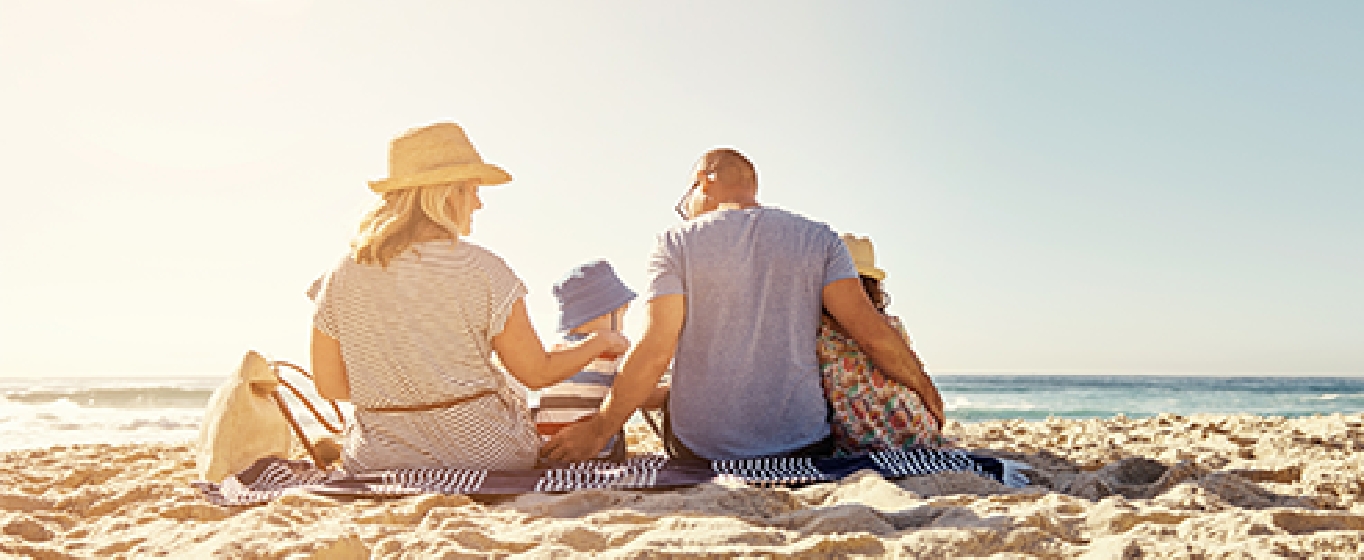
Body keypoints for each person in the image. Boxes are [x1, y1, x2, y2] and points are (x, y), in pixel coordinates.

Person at [542, 148, 945, 462]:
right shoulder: (819, 239)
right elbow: (871, 331)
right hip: (802, 445)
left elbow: (656, 344)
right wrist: (926, 388)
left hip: (700, 449)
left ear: (704, 180)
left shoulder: (675, 242)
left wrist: (602, 426)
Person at [309, 122, 627, 472]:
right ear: (449, 194)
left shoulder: (341, 275)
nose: (479, 203)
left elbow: (330, 386)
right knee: (507, 386)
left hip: (380, 459)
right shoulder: (486, 270)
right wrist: (600, 342)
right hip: (488, 455)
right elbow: (537, 373)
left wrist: (404, 390)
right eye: (473, 190)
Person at [819, 234, 947, 454]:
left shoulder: (819, 334)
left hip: (856, 439)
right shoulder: (892, 327)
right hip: (913, 431)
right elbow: (912, 367)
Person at [533, 260, 637, 460]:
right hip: (595, 455)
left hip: (550, 454)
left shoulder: (555, 351)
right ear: (609, 313)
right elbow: (640, 395)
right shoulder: (611, 356)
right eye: (623, 314)